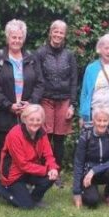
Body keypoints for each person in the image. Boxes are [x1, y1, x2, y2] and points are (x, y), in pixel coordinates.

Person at [0, 104, 58, 209]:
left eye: (38, 120)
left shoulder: (42, 133)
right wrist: (46, 169)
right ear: (24, 119)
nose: (35, 123)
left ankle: (34, 199)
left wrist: (52, 168)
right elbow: (22, 164)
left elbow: (48, 154)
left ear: (42, 120)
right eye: (31, 119)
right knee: (26, 206)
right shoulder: (15, 134)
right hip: (13, 173)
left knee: (52, 176)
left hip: (30, 170)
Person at [0, 19, 42, 153]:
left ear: (23, 39)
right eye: (13, 37)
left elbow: (40, 84)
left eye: (20, 38)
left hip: (28, 115)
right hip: (5, 114)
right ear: (8, 38)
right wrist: (8, 105)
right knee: (6, 152)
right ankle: (5, 175)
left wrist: (30, 103)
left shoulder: (31, 58)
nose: (16, 41)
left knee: (27, 152)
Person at [35, 20, 78, 184]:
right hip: (46, 99)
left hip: (64, 100)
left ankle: (56, 172)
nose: (58, 35)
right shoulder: (40, 53)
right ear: (50, 32)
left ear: (64, 35)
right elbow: (38, 79)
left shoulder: (69, 55)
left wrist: (72, 104)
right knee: (46, 136)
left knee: (59, 139)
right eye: (56, 31)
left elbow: (74, 80)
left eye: (61, 32)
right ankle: (44, 169)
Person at [72, 108, 109, 208]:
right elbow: (78, 163)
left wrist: (94, 170)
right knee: (92, 201)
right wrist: (76, 192)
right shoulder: (85, 136)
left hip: (103, 172)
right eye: (99, 120)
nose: (102, 124)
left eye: (105, 120)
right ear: (93, 120)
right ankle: (85, 190)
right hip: (87, 175)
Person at [79, 33, 109, 127]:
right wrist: (82, 115)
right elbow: (84, 93)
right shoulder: (91, 68)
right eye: (106, 48)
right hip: (93, 111)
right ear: (100, 49)